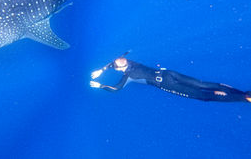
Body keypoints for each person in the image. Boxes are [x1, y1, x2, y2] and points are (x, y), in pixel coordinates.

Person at [90, 51, 251, 102]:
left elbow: (116, 89)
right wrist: (101, 70)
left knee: (204, 96)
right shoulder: (131, 62)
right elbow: (115, 60)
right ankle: (245, 93)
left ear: (123, 68)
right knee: (203, 84)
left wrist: (100, 86)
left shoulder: (128, 76)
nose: (116, 69)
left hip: (167, 83)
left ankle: (244, 98)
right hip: (169, 73)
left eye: (117, 68)